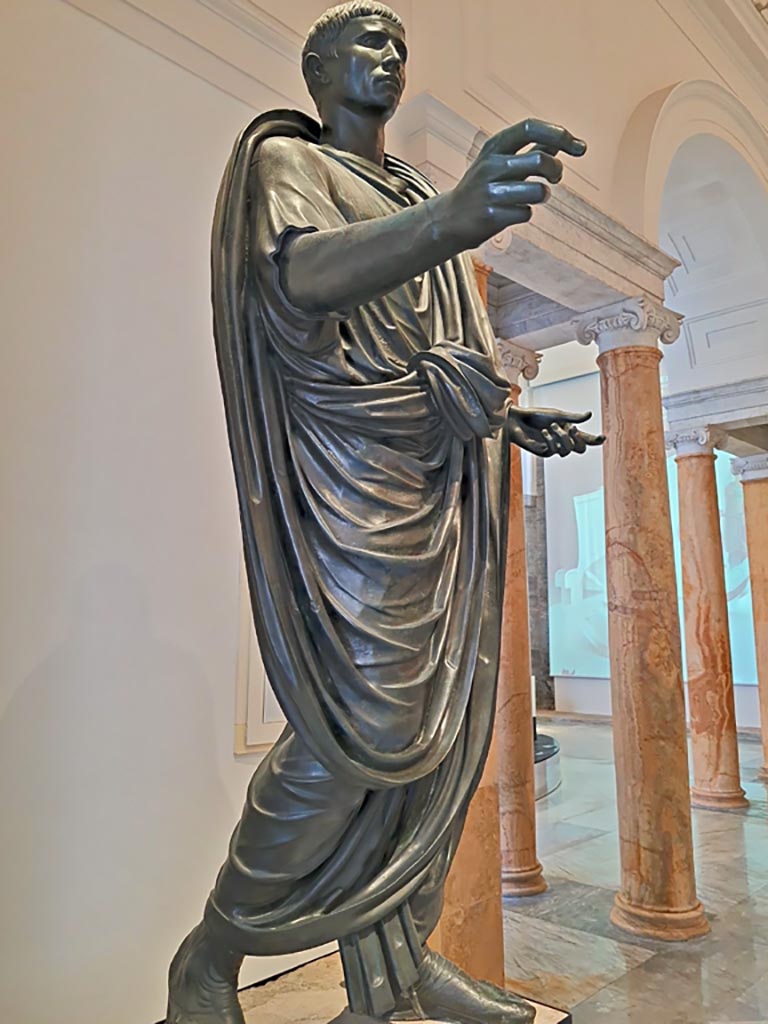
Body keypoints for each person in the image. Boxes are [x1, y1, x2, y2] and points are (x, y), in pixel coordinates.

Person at [167, 4, 601, 1022]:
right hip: (348, 482)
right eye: (366, 41)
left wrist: (504, 414)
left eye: (399, 43)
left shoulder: (408, 190)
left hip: (432, 482)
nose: (389, 56)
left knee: (439, 734)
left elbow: (430, 356)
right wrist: (455, 219)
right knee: (356, 731)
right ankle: (216, 947)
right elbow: (300, 279)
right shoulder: (293, 166)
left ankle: (394, 969)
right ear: (318, 70)